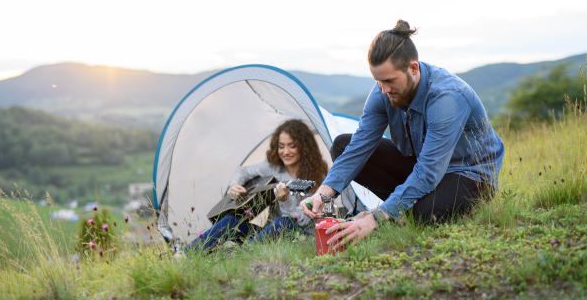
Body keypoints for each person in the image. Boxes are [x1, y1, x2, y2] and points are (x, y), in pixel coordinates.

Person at [300, 19, 505, 250]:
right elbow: (359, 147)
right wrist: (323, 194)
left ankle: (395, 211)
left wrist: (375, 218)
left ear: (413, 68)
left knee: (425, 214)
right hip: (419, 164)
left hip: (468, 174)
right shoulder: (383, 91)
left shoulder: (446, 97)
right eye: (378, 81)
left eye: (389, 81)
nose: (384, 90)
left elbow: (429, 172)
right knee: (341, 145)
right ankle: (400, 208)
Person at [189, 119, 328, 252]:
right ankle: (183, 254)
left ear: (304, 147)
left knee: (284, 222)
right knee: (232, 221)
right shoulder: (274, 167)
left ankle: (240, 256)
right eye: (281, 146)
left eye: (292, 146)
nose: (286, 152)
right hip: (268, 234)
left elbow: (301, 222)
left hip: (298, 237)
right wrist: (234, 185)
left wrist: (285, 201)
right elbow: (243, 171)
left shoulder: (316, 179)